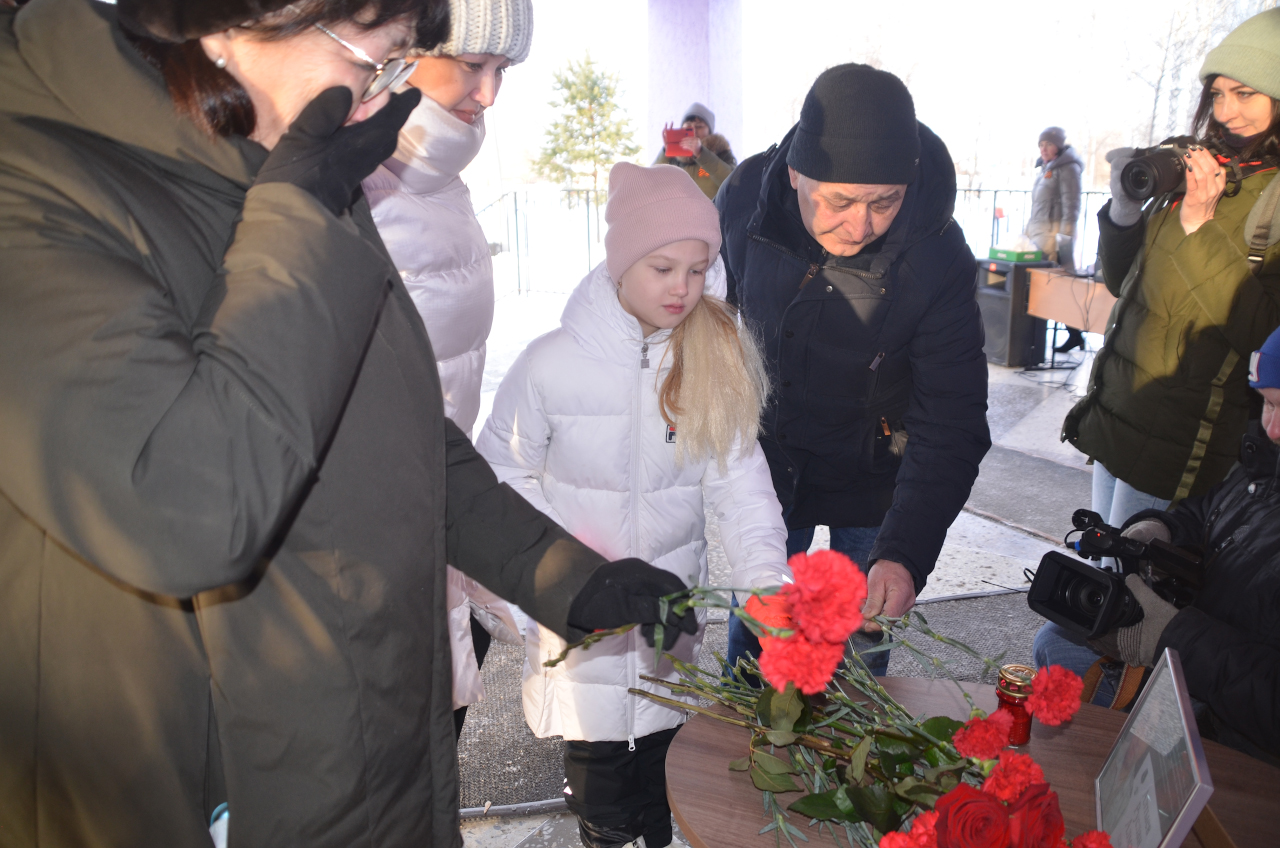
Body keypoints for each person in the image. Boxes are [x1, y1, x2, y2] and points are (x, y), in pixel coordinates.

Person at [0, 1, 693, 845]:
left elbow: (394, 429)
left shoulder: (288, 168)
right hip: (215, 782)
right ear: (246, 20)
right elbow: (186, 512)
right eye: (377, 61)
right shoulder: (38, 186)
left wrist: (561, 575)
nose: (384, 98)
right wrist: (296, 215)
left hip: (362, 740)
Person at [476, 162, 791, 848]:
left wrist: (769, 586)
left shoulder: (710, 361)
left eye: (698, 270)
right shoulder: (550, 364)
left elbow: (742, 489)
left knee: (662, 792)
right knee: (604, 804)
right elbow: (500, 475)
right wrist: (554, 578)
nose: (682, 288)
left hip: (666, 634)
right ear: (620, 265)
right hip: (581, 631)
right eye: (662, 268)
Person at [715, 63, 991, 676]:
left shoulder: (938, 251)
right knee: (758, 642)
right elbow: (709, 316)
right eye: (839, 201)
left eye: (884, 202)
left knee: (861, 657)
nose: (861, 225)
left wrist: (905, 553)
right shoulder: (744, 199)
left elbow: (952, 419)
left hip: (875, 474)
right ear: (794, 174)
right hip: (769, 460)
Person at [362, 0, 532, 738]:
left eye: (503, 70)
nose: (489, 94)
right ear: (398, 48)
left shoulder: (437, 174)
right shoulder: (356, 179)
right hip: (379, 552)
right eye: (471, 64)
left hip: (434, 521)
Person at [1063, 7, 1280, 532]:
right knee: (1102, 565)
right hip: (1120, 410)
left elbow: (1263, 330)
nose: (1226, 111)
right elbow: (1124, 283)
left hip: (1182, 436)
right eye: (1218, 94)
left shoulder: (1271, 195)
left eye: (1244, 93)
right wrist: (1124, 211)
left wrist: (1200, 227)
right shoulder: (1204, 167)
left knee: (1133, 575)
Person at [1035, 325, 1280, 764]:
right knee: (1058, 637)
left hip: (1235, 732)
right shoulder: (1264, 463)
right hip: (1200, 666)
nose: (1273, 428)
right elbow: (1203, 513)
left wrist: (1169, 637)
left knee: (1063, 655)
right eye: (1268, 404)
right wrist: (1156, 531)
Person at [1024, 126, 1086, 352]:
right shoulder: (1046, 169)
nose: (1043, 149)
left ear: (1058, 146)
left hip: (1053, 238)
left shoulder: (1067, 169)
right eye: (1041, 145)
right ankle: (1072, 335)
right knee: (1052, 287)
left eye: (1048, 144)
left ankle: (1067, 335)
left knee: (1056, 287)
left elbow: (1071, 207)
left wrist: (1064, 242)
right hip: (1039, 235)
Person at [653, 101, 736, 200]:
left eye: (699, 126)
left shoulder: (721, 153)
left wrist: (701, 154)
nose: (694, 131)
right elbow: (651, 183)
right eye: (688, 127)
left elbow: (733, 184)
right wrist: (666, 152)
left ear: (709, 131)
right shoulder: (673, 157)